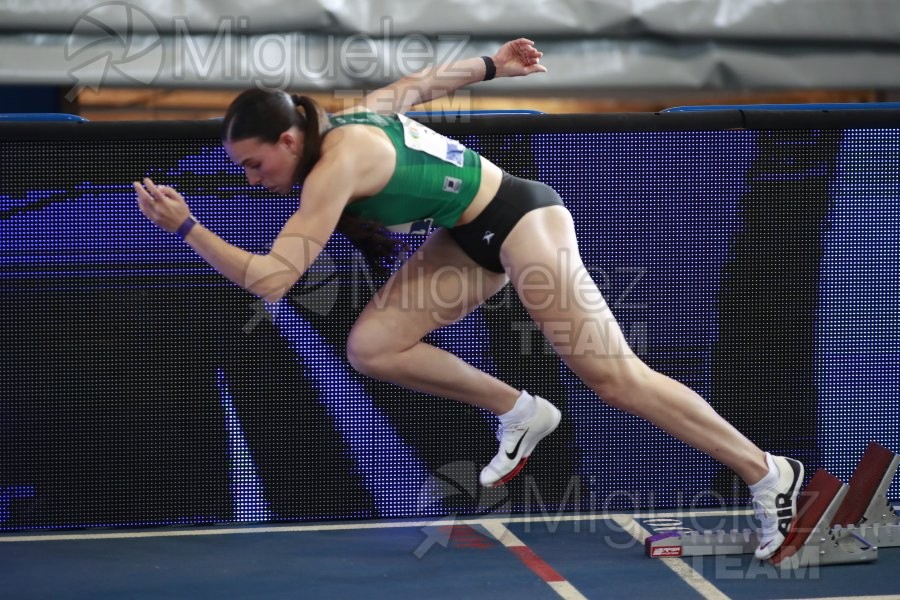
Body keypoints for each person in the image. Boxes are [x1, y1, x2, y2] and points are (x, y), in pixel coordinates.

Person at [134, 38, 804, 560]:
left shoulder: (336, 165)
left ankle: (768, 472)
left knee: (613, 377)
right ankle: (519, 411)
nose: (254, 179)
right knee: (372, 347)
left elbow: (275, 279)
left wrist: (187, 228)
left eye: (255, 164)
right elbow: (421, 86)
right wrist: (493, 63)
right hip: (469, 236)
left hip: (520, 221)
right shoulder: (351, 119)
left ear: (289, 139)